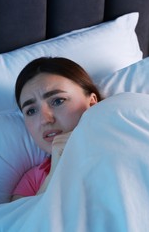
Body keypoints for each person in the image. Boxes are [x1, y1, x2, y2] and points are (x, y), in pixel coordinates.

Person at [11, 57, 102, 201]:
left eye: (58, 101)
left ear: (92, 103)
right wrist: (55, 172)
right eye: (31, 111)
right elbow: (24, 223)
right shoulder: (32, 183)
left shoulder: (127, 142)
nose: (45, 120)